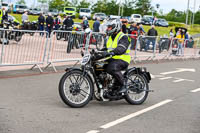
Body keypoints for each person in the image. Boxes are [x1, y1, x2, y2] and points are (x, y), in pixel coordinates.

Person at [97, 19, 131, 94]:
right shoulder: (110, 38)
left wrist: (112, 52)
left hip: (122, 59)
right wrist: (97, 52)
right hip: (112, 58)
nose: (108, 29)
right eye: (108, 27)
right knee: (98, 66)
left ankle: (124, 85)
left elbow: (121, 48)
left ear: (116, 27)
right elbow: (106, 49)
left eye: (110, 27)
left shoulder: (123, 37)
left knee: (111, 68)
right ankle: (104, 86)